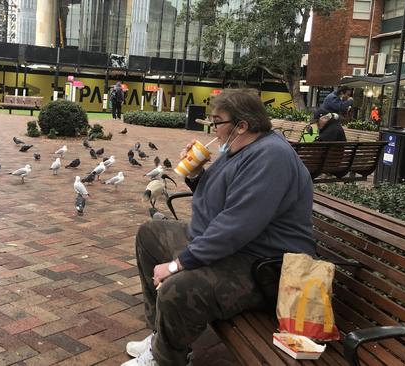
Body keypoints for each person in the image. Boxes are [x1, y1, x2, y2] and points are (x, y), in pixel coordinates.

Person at [123, 89, 316, 366]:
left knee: (178, 288)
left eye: (217, 122)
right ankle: (161, 337)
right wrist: (196, 174)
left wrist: (178, 264)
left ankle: (166, 360)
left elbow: (235, 226)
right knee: (149, 234)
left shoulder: (270, 157)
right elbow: (219, 197)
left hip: (264, 266)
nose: (214, 129)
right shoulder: (241, 147)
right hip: (234, 247)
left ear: (242, 125)